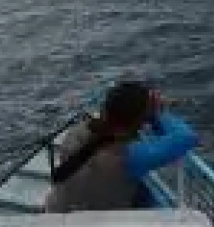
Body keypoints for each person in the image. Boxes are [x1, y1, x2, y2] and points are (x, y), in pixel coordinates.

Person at [43, 80, 199, 213]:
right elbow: (187, 137)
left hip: (57, 212)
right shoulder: (130, 156)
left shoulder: (77, 131)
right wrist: (157, 114)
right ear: (139, 120)